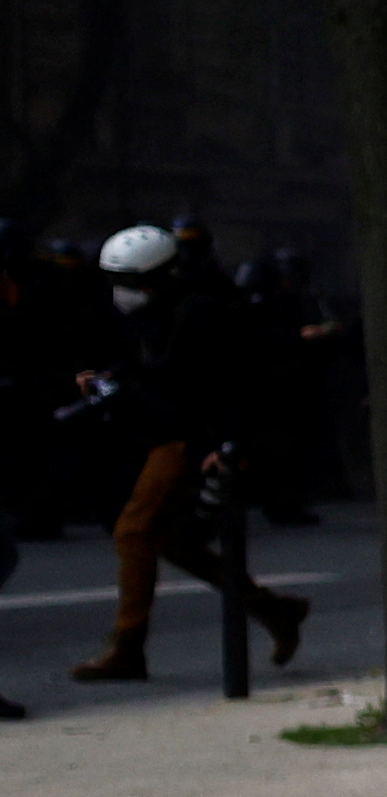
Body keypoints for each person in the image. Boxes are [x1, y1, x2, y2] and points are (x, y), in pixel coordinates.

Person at [65, 224, 307, 684]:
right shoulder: (161, 310)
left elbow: (231, 383)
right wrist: (109, 380)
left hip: (192, 437)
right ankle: (273, 610)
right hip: (169, 433)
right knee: (168, 540)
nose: (122, 292)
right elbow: (151, 369)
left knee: (135, 532)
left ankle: (127, 648)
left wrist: (228, 444)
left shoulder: (204, 312)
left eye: (129, 282)